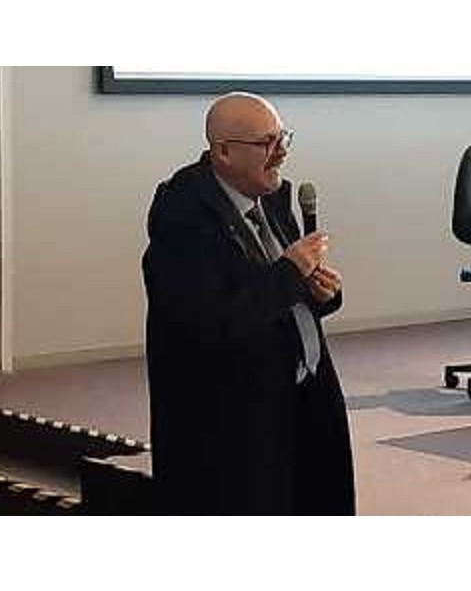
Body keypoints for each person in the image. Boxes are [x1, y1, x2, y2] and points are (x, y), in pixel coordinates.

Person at [142, 92, 355, 515]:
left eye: (283, 138)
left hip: (300, 397)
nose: (281, 153)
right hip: (231, 419)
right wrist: (291, 271)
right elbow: (213, 321)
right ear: (223, 151)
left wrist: (322, 293)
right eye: (267, 143)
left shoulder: (270, 197)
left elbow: (282, 297)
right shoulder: (182, 220)